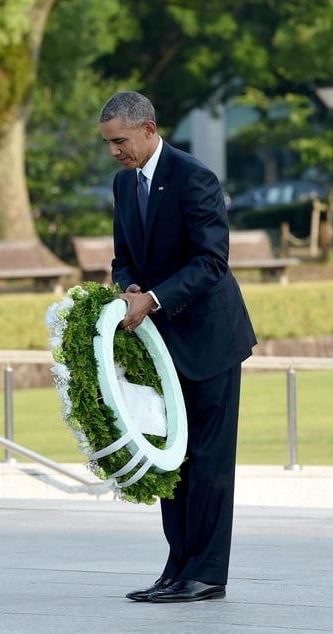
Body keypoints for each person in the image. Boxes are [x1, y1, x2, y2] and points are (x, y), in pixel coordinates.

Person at [99, 90, 257, 603]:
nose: (114, 152)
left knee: (209, 462)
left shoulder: (195, 178)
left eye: (119, 141)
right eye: (107, 143)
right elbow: (125, 255)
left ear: (149, 129)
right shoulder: (124, 185)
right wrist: (127, 290)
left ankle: (207, 574)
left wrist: (154, 299)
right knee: (171, 458)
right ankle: (176, 568)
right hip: (161, 346)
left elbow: (212, 261)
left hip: (210, 341)